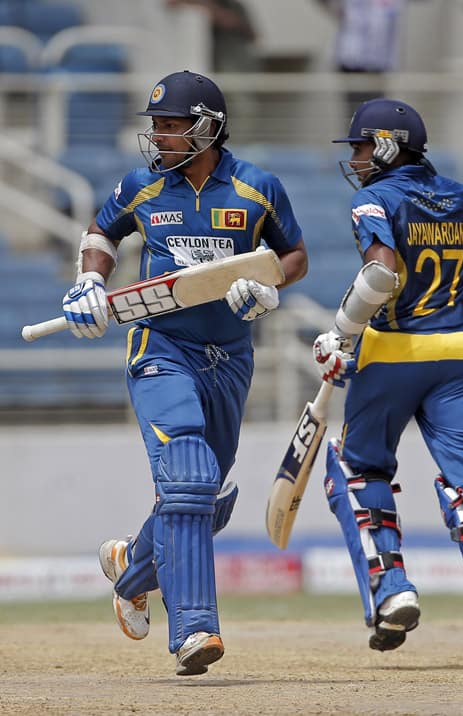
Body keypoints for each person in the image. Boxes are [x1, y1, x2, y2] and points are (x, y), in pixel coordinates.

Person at [61, 70, 307, 676]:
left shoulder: (258, 188)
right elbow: (101, 231)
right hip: (161, 344)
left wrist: (270, 285)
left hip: (230, 355)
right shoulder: (140, 185)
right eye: (158, 127)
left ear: (210, 127)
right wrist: (91, 278)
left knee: (208, 497)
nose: (161, 138)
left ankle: (131, 569)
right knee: (192, 478)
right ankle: (195, 629)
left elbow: (294, 253)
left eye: (172, 126)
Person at [311, 97, 463, 667]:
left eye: (362, 147)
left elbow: (381, 272)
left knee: (356, 468)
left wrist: (340, 332)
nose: (357, 158)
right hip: (460, 351)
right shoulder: (458, 195)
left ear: (387, 146)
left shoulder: (374, 199)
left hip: (391, 352)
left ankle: (393, 592)